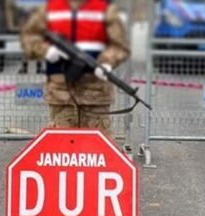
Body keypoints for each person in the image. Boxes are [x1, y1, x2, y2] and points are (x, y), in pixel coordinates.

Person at [20, 0, 130, 132]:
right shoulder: (49, 9)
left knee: (96, 147)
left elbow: (120, 46)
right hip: (61, 94)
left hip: (95, 93)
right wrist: (46, 50)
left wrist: (107, 62)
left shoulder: (105, 10)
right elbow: (29, 37)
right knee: (61, 147)